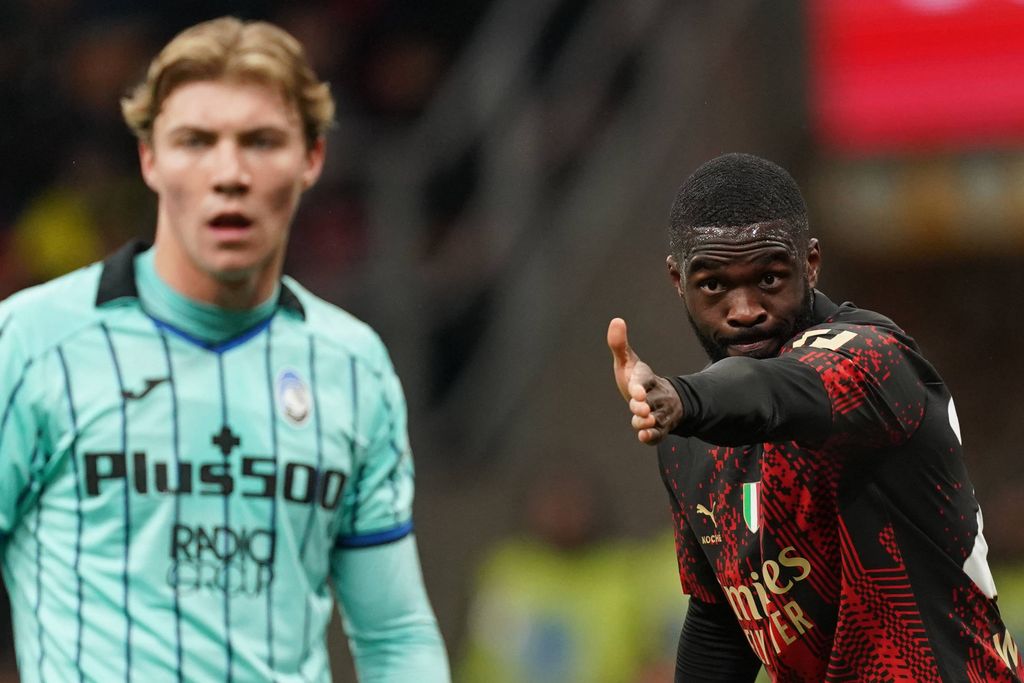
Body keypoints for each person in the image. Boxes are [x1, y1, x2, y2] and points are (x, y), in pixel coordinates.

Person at [0, 16, 450, 682]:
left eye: (262, 141)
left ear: (312, 159)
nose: (230, 172)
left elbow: (394, 632)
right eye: (196, 141)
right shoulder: (31, 343)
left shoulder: (353, 365)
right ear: (149, 158)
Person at [607, 152, 1023, 681]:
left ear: (811, 264)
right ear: (677, 280)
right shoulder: (688, 438)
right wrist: (684, 406)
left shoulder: (872, 359)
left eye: (770, 278)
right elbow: (721, 621)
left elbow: (778, 389)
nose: (744, 309)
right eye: (714, 285)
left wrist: (681, 398)